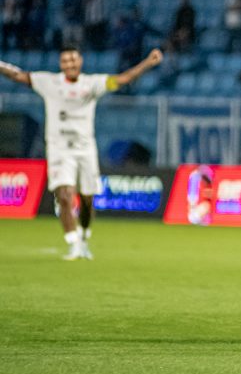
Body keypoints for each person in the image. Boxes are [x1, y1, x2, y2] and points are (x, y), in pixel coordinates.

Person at [0, 45, 164, 260]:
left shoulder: (92, 83)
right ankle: (74, 242)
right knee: (65, 195)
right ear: (60, 65)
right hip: (59, 148)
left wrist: (147, 63)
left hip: (85, 148)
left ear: (80, 62)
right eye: (65, 61)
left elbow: (122, 80)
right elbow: (18, 75)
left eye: (73, 60)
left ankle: (84, 236)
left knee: (87, 198)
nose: (70, 64)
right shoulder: (48, 82)